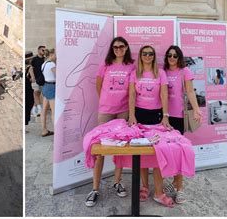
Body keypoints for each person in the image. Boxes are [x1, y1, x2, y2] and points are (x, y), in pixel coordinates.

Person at [85, 37, 135, 207]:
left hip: (123, 111)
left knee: (120, 149)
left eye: (121, 46)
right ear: (112, 49)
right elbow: (98, 85)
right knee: (99, 149)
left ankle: (117, 181)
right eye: (115, 47)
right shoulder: (105, 65)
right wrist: (106, 100)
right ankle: (95, 188)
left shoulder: (132, 66)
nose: (118, 49)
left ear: (126, 47)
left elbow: (133, 88)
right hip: (106, 111)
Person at [128, 45, 174, 208]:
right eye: (144, 53)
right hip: (139, 115)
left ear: (154, 56)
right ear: (140, 56)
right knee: (142, 154)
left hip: (156, 116)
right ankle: (145, 186)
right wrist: (132, 115)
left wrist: (166, 116)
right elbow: (132, 95)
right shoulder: (135, 73)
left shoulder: (160, 73)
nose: (147, 56)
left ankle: (159, 193)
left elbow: (164, 95)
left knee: (157, 153)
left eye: (150, 54)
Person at [162, 45, 203, 204]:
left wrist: (197, 110)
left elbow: (190, 92)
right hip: (163, 117)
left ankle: (179, 189)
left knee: (178, 153)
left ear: (179, 58)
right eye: (169, 56)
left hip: (177, 117)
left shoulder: (184, 72)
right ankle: (171, 183)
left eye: (175, 56)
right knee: (166, 152)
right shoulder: (163, 71)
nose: (172, 58)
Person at [41, 49, 56, 137]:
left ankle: (44, 130)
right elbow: (58, 75)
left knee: (44, 110)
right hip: (51, 86)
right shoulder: (51, 64)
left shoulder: (43, 64)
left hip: (46, 86)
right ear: (51, 54)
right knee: (53, 111)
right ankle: (56, 132)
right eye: (55, 54)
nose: (55, 56)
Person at [31, 46, 46, 117]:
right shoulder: (34, 59)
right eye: (43, 50)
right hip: (36, 80)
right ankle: (39, 110)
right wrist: (32, 78)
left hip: (43, 80)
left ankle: (34, 110)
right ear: (39, 50)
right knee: (36, 94)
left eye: (45, 50)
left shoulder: (45, 59)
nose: (44, 52)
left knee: (37, 96)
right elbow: (30, 69)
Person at [25, 53, 35, 130]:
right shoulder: (30, 67)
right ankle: (25, 123)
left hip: (25, 86)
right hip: (28, 86)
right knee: (29, 103)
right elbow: (33, 79)